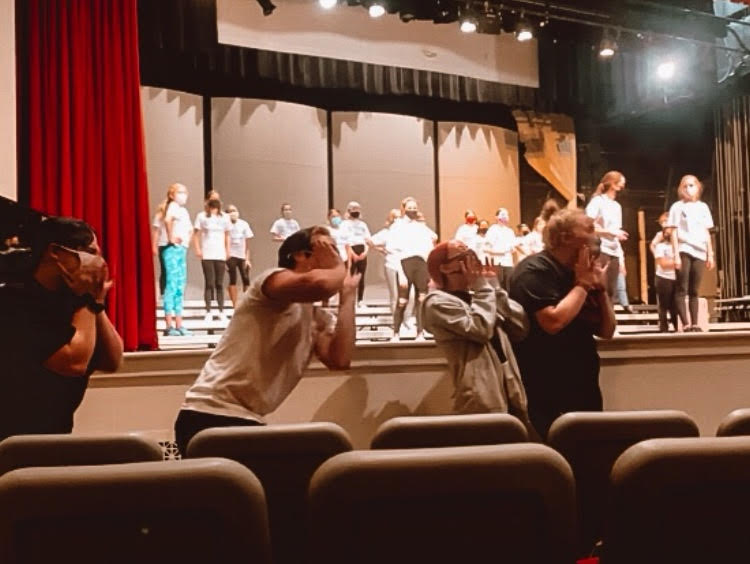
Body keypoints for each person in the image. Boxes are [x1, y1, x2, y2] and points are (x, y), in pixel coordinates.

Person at [174, 226, 360, 454]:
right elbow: (319, 285)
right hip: (210, 414)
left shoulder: (316, 318)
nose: (335, 256)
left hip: (244, 419)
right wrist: (338, 268)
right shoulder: (271, 281)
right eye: (326, 249)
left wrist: (348, 297)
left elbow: (339, 359)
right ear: (300, 255)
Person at [0, 216, 123, 442]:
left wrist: (95, 303)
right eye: (89, 252)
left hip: (55, 435)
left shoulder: (73, 301)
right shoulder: (14, 300)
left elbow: (112, 360)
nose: (99, 262)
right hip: (11, 439)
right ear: (55, 252)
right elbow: (73, 363)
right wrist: (87, 301)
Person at [509, 208, 616, 440]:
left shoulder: (580, 272)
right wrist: (584, 285)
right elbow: (553, 322)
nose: (595, 235)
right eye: (588, 228)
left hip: (583, 383)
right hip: (545, 386)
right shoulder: (534, 271)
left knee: (590, 455)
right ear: (565, 237)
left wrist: (602, 290)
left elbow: (607, 331)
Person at [422, 240, 533, 429]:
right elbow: (480, 329)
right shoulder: (437, 303)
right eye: (463, 257)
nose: (473, 260)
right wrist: (483, 288)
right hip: (480, 397)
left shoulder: (481, 296)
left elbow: (520, 327)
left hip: (511, 386)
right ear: (446, 268)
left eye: (472, 254)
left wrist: (495, 289)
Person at [668, 174, 714, 332]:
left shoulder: (703, 207)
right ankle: (685, 323)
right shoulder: (676, 207)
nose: (688, 189)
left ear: (698, 188)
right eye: (685, 186)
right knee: (682, 288)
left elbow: (707, 232)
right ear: (681, 189)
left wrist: (710, 254)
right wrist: (675, 255)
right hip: (684, 248)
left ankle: (695, 323)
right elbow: (673, 232)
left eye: (691, 185)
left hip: (700, 250)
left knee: (695, 290)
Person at [388, 197, 437, 341]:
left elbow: (433, 238)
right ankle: (396, 333)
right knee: (402, 300)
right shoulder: (397, 226)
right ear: (403, 209)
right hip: (404, 264)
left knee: (421, 299)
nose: (413, 210)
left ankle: (420, 332)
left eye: (415, 207)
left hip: (421, 264)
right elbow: (393, 250)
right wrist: (401, 273)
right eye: (410, 207)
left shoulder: (420, 226)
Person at [585, 171, 629, 300]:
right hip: (600, 249)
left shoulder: (617, 206)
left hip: (614, 251)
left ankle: (610, 318)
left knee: (611, 291)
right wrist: (608, 232)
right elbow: (587, 226)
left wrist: (621, 259)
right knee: (599, 288)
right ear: (612, 184)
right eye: (621, 181)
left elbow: (616, 232)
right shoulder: (597, 202)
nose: (623, 184)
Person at [194, 194, 231, 323]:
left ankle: (221, 311)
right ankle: (208, 311)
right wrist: (198, 249)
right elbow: (196, 234)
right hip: (207, 253)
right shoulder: (202, 216)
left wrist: (227, 250)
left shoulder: (225, 217)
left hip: (220, 253)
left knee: (219, 283)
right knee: (209, 282)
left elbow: (227, 235)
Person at [162, 183, 193, 336]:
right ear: (172, 194)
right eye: (180, 192)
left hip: (181, 249)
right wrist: (171, 237)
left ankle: (179, 324)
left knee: (179, 287)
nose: (183, 195)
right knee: (172, 285)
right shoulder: (173, 206)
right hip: (173, 249)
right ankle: (169, 325)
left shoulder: (183, 210)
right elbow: (168, 220)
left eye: (185, 192)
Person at [368, 209, 406, 318]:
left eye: (400, 217)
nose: (398, 220)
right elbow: (369, 241)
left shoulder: (406, 232)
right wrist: (381, 249)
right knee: (395, 294)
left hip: (406, 265)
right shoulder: (386, 233)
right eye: (396, 217)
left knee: (407, 294)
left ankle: (405, 319)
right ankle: (396, 319)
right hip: (392, 264)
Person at [651, 213, 678, 333]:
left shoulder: (679, 242)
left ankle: (678, 326)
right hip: (663, 276)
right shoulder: (660, 240)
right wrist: (659, 257)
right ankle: (664, 328)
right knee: (664, 304)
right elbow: (653, 246)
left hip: (675, 277)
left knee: (675, 305)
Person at [341, 201, 371, 306]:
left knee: (361, 276)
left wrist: (365, 252)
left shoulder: (363, 224)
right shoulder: (344, 224)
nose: (356, 211)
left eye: (357, 208)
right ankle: (350, 299)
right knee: (351, 275)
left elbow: (368, 239)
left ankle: (360, 299)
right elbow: (345, 240)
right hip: (351, 250)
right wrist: (352, 253)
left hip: (362, 249)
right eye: (353, 209)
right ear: (349, 210)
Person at [226, 204, 254, 307]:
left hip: (241, 255)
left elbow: (247, 244)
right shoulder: (225, 225)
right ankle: (234, 305)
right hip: (230, 255)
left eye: (235, 210)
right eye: (230, 211)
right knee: (232, 278)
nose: (233, 213)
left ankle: (247, 303)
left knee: (246, 278)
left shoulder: (244, 224)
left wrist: (247, 258)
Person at [486, 208, 516, 290]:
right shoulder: (493, 229)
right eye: (503, 215)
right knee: (498, 287)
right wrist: (499, 252)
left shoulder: (510, 231)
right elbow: (487, 247)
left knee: (508, 287)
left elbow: (513, 248)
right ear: (496, 217)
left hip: (508, 263)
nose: (505, 217)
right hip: (497, 262)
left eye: (506, 215)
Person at [151, 209, 168, 296]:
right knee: (165, 270)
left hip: (176, 245)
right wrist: (154, 245)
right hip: (163, 244)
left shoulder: (180, 212)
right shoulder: (160, 215)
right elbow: (156, 231)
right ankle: (163, 294)